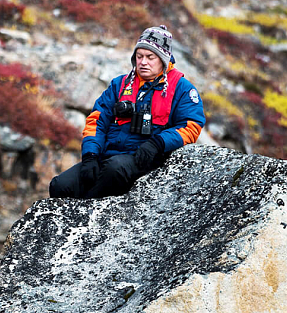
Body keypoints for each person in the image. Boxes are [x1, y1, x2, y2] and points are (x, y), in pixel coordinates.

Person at [50, 25, 206, 199]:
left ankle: (85, 211)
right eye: (139, 56)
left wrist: (157, 143)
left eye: (150, 57)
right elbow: (97, 121)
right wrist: (90, 156)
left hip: (145, 161)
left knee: (114, 170)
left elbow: (191, 126)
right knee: (60, 185)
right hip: (107, 156)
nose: (143, 62)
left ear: (163, 59)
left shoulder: (182, 89)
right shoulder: (120, 84)